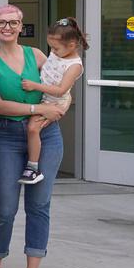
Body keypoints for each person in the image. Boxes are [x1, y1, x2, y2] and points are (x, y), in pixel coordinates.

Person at [0, 4, 66, 268]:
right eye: (2, 23)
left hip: (45, 134)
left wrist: (57, 109)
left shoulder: (37, 55)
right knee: (4, 207)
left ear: (20, 26)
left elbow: (62, 87)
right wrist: (38, 107)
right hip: (6, 136)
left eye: (13, 23)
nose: (8, 27)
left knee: (39, 205)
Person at [19, 18, 86, 185]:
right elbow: (48, 68)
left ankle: (33, 168)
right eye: (51, 47)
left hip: (54, 101)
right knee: (33, 127)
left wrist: (35, 85)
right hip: (46, 97)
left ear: (71, 45)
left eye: (56, 48)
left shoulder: (74, 65)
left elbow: (61, 90)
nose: (53, 52)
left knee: (33, 128)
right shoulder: (58, 54)